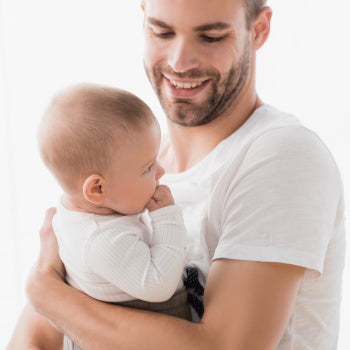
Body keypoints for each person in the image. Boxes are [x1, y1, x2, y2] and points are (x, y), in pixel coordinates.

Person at [8, 0, 346, 349]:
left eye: (211, 36)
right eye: (162, 31)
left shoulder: (279, 157)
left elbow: (226, 347)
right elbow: (35, 338)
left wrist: (46, 293)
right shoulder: (123, 167)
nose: (179, 62)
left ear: (258, 29)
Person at [36, 83, 197, 348]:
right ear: (97, 188)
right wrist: (167, 217)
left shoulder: (83, 207)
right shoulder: (100, 240)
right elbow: (159, 284)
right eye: (147, 168)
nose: (160, 171)